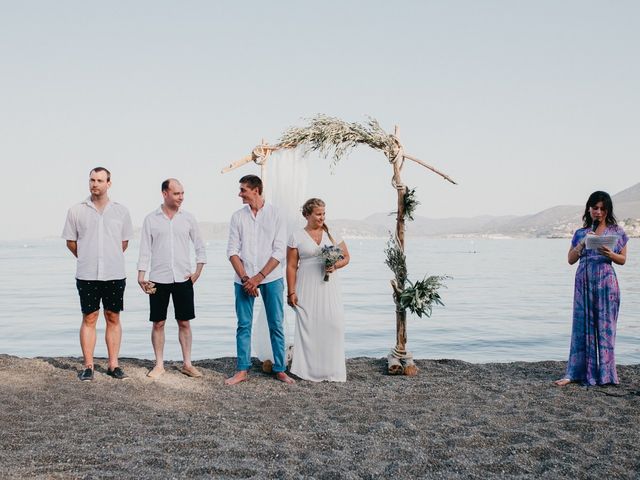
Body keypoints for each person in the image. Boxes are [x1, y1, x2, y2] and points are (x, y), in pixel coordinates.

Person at [62, 167, 134, 381]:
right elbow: (71, 242)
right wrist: (87, 257)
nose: (95, 184)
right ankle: (88, 366)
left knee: (113, 316)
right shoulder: (76, 210)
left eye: (100, 180)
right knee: (89, 317)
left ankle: (113, 365)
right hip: (86, 274)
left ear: (108, 183)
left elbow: (124, 242)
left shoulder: (121, 211)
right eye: (92, 180)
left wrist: (108, 257)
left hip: (114, 273)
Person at [225, 174, 294, 385]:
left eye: (243, 190)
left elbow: (280, 250)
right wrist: (247, 278)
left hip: (271, 277)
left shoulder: (276, 215)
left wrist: (258, 277)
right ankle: (242, 369)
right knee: (243, 325)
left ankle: (280, 368)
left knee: (276, 324)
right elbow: (232, 251)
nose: (240, 194)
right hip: (243, 279)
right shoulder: (238, 217)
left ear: (256, 190)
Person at [555, 191, 628, 387]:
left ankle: (606, 375)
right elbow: (570, 260)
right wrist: (582, 243)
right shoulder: (581, 232)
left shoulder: (617, 231)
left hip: (606, 283)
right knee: (581, 328)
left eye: (602, 209)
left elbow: (622, 260)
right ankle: (576, 373)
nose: (598, 212)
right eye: (595, 208)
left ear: (607, 210)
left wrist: (610, 253)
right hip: (584, 283)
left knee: (606, 328)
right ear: (589, 208)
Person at [137, 179, 207, 379]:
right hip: (158, 278)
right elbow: (145, 250)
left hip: (183, 278)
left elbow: (200, 246)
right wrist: (141, 276)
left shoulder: (188, 218)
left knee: (184, 322)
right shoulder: (151, 219)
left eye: (183, 193)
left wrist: (198, 271)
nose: (181, 197)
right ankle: (159, 364)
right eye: (177, 193)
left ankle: (187, 363)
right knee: (158, 322)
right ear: (165, 194)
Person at [286, 198, 350, 382]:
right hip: (306, 285)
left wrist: (335, 266)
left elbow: (346, 257)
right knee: (309, 326)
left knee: (334, 324)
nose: (322, 217)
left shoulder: (332, 234)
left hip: (329, 287)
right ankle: (307, 370)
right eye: (318, 214)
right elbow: (291, 266)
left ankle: (332, 370)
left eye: (324, 213)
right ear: (307, 214)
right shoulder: (296, 236)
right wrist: (291, 292)